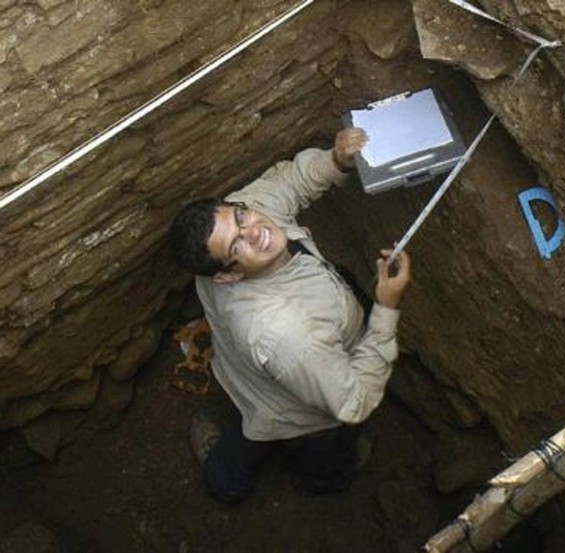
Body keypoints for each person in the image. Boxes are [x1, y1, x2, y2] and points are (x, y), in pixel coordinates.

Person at [166, 127, 411, 503]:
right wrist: (386, 309)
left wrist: (335, 161)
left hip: (249, 376)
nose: (254, 231)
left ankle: (231, 474)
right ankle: (307, 482)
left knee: (252, 425)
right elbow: (354, 402)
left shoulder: (245, 215)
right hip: (301, 410)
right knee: (322, 446)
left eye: (241, 217)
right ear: (227, 275)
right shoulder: (287, 333)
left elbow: (290, 182)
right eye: (236, 245)